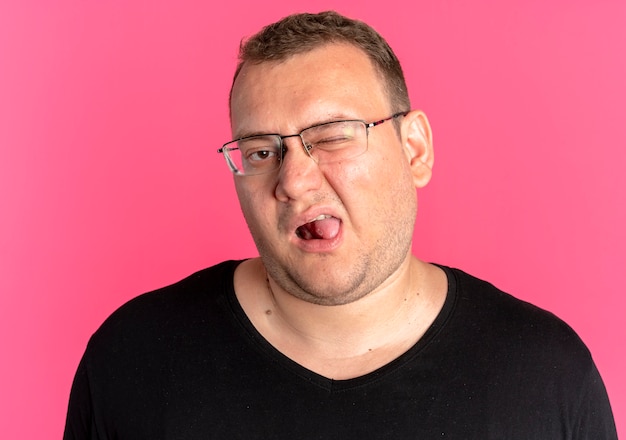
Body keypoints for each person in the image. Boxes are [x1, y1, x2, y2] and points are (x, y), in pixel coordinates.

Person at [64, 11, 617, 439]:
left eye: (332, 135)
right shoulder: (132, 360)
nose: (294, 181)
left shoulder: (547, 377)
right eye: (260, 151)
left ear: (415, 148)